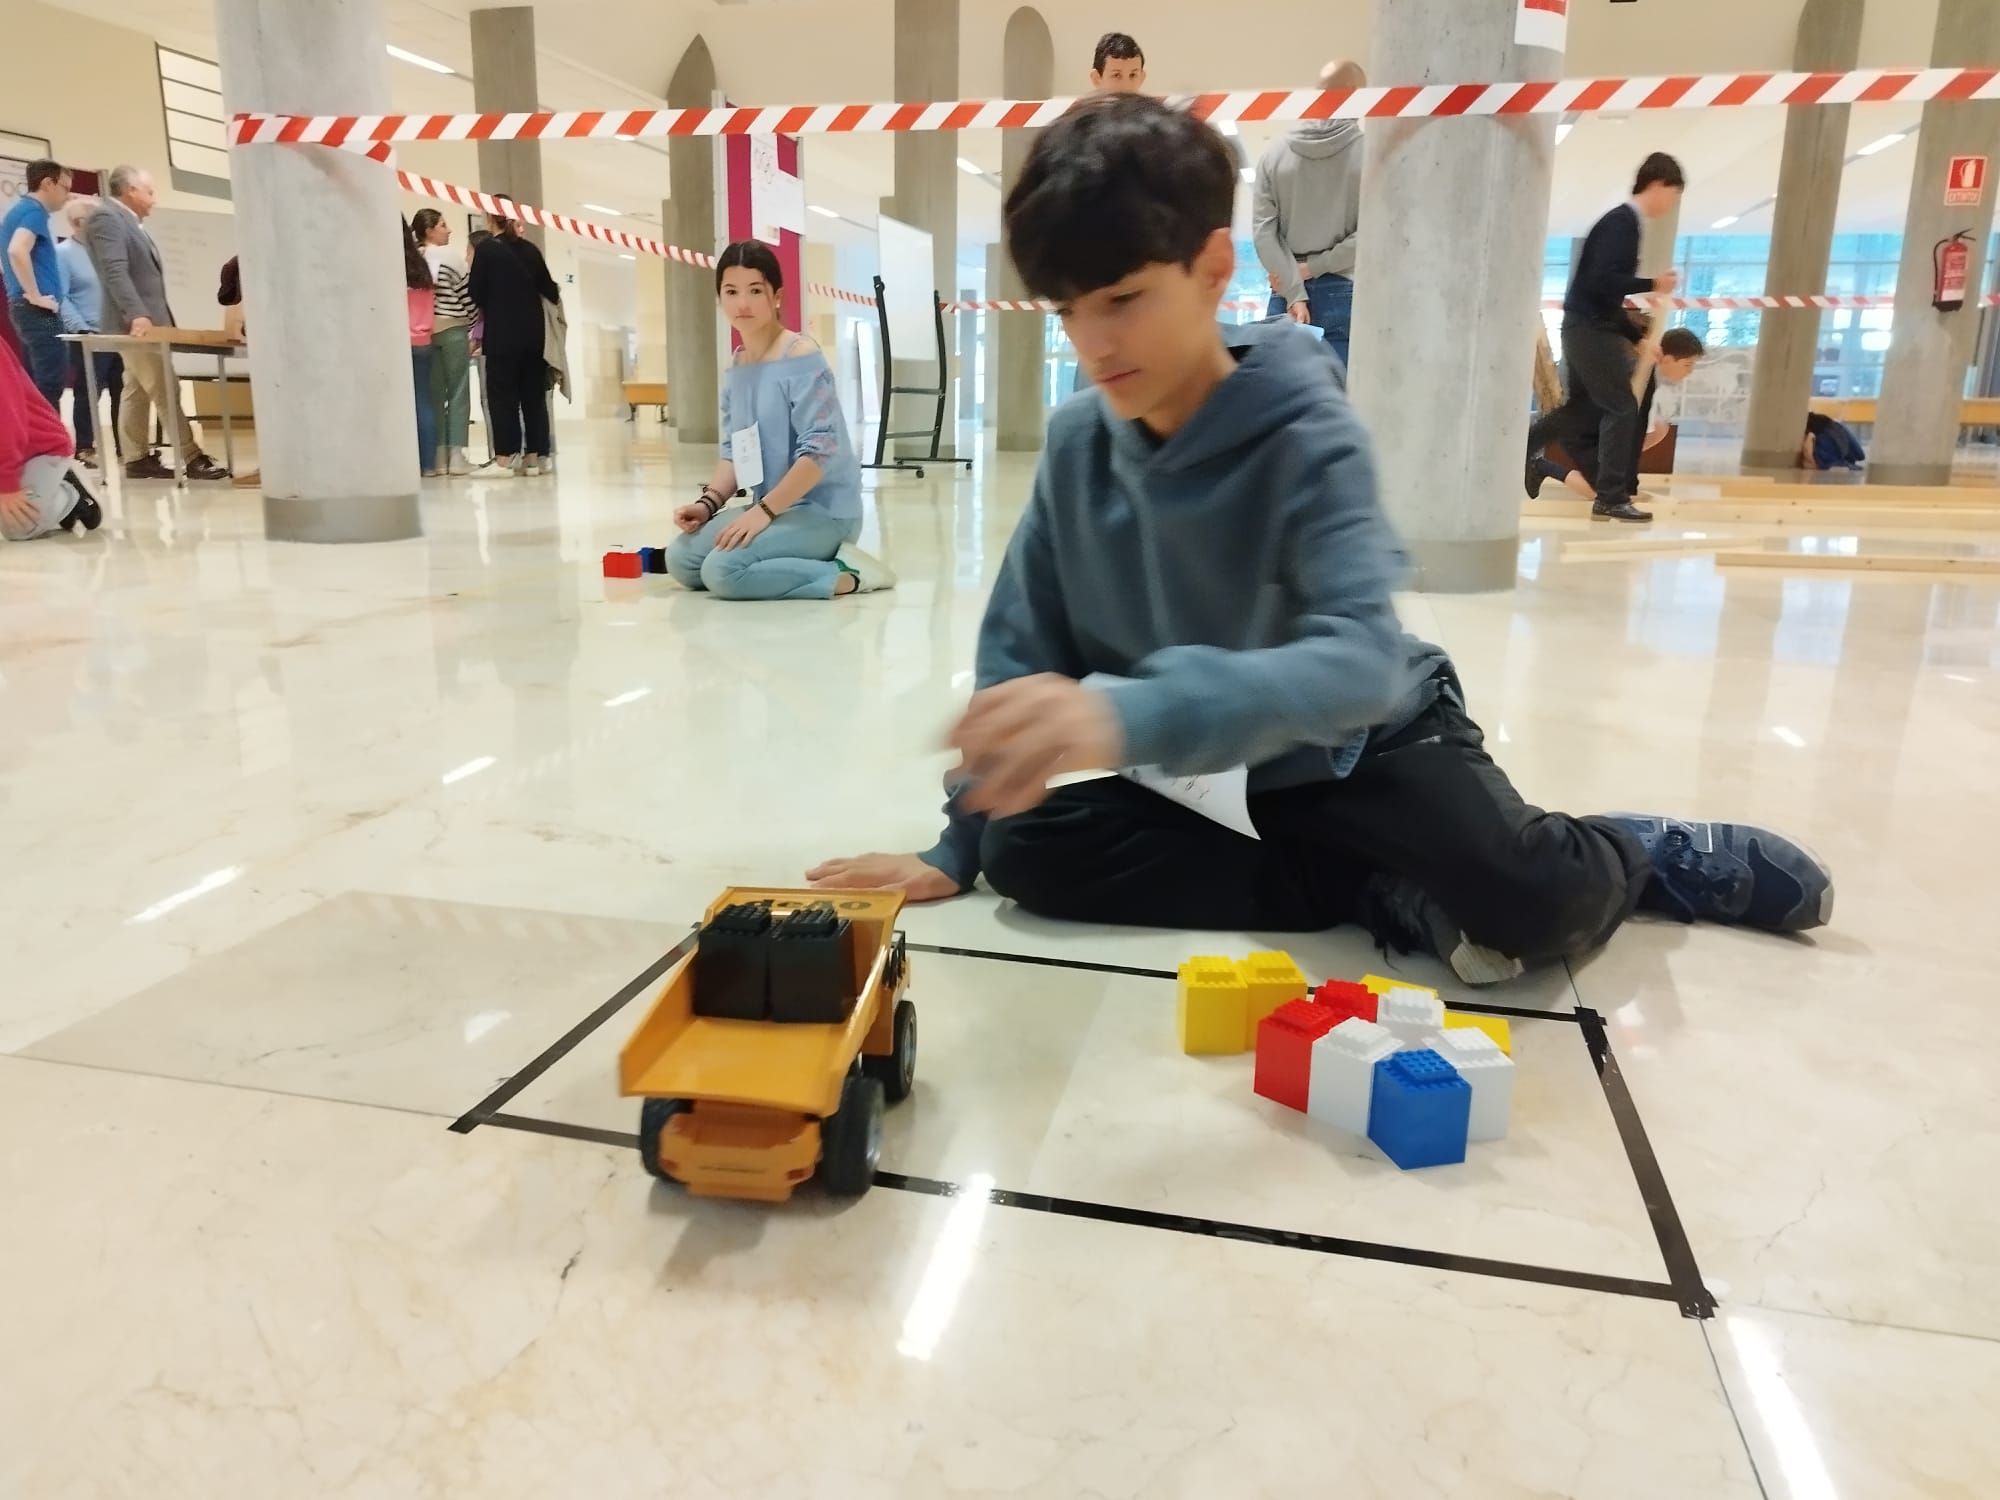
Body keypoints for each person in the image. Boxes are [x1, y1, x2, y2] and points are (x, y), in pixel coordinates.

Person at [806, 95, 1831, 982]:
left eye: (1122, 299)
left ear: (1213, 268)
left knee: (1527, 905)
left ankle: (1633, 851)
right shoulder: (1081, 443)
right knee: (1026, 854)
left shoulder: (1305, 423)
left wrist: (1114, 718)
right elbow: (1020, 650)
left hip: (1363, 744)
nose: (1095, 343)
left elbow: (1352, 663)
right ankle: (1379, 892)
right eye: (1071, 312)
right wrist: (958, 838)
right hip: (1203, 770)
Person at [665, 240, 892, 602]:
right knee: (681, 560)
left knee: (722, 571)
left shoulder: (801, 355)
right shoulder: (738, 366)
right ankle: (777, 556)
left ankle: (850, 573)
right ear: (720, 299)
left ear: (776, 297)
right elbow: (733, 453)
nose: (743, 303)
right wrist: (707, 504)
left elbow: (819, 451)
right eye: (731, 291)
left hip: (824, 512)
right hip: (773, 506)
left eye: (756, 290)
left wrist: (764, 512)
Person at [1525, 153, 1684, 524]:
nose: (1671, 204)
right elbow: (1602, 282)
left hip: (1586, 325)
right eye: (1673, 195)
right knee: (1622, 406)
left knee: (1580, 408)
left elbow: (1602, 292)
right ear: (1658, 184)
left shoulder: (1623, 222)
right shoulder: (1622, 224)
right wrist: (1652, 284)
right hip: (1589, 329)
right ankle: (1611, 496)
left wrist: (1635, 335)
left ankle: (1523, 450)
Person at [79, 164, 229, 482]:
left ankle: (136, 458)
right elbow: (114, 270)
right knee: (165, 387)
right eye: (150, 191)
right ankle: (192, 457)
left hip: (143, 323)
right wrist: (136, 313)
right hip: (135, 324)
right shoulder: (108, 217)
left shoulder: (126, 220)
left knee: (137, 389)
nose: (154, 199)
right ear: (130, 190)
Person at [1253, 61, 1365, 372]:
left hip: (1283, 292)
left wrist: (1294, 291)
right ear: (1359, 97)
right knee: (1335, 405)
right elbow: (1371, 234)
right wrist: (1313, 268)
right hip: (1342, 292)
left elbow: (1263, 233)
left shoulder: (1274, 155)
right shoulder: (1370, 155)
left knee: (1278, 401)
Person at [1530, 326, 1704, 502]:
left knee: (1659, 427)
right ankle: (1542, 467)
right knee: (1602, 493)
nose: (1690, 371)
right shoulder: (1637, 380)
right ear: (1667, 359)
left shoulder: (1647, 375)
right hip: (1587, 426)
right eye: (1687, 365)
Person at [466, 208, 556, 476]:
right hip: (534, 335)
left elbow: (475, 293)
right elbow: (550, 289)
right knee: (534, 396)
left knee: (503, 396)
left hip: (503, 334)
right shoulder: (530, 250)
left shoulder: (487, 250)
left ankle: (506, 458)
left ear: (490, 217)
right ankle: (536, 458)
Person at [1, 335, 102, 541]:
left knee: (19, 526)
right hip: (11, 451)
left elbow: (8, 417)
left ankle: (70, 492)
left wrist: (6, 484)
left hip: (38, 449)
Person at [3, 159, 73, 414]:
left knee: (39, 384)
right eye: (65, 188)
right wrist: (34, 295)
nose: (67, 197)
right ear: (47, 183)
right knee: (50, 383)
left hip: (27, 310)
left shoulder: (20, 210)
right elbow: (17, 250)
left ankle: (40, 446)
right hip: (37, 311)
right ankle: (50, 447)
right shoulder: (34, 212)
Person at [57, 197, 121, 469]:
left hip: (118, 333)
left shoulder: (106, 251)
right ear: (77, 223)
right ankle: (84, 446)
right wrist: (79, 327)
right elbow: (60, 296)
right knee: (88, 392)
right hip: (88, 334)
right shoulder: (63, 253)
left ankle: (127, 446)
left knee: (124, 389)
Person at [413, 209, 474, 476]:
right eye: (443, 225)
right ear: (429, 230)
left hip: (427, 333)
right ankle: (456, 455)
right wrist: (471, 323)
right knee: (458, 392)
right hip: (454, 329)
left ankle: (436, 458)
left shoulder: (415, 258)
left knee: (435, 395)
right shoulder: (451, 258)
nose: (448, 230)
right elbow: (467, 296)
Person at [399, 217, 439, 475]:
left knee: (401, 405)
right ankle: (428, 465)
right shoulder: (421, 265)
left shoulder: (392, 267)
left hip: (400, 344)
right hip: (425, 342)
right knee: (424, 402)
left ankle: (406, 463)